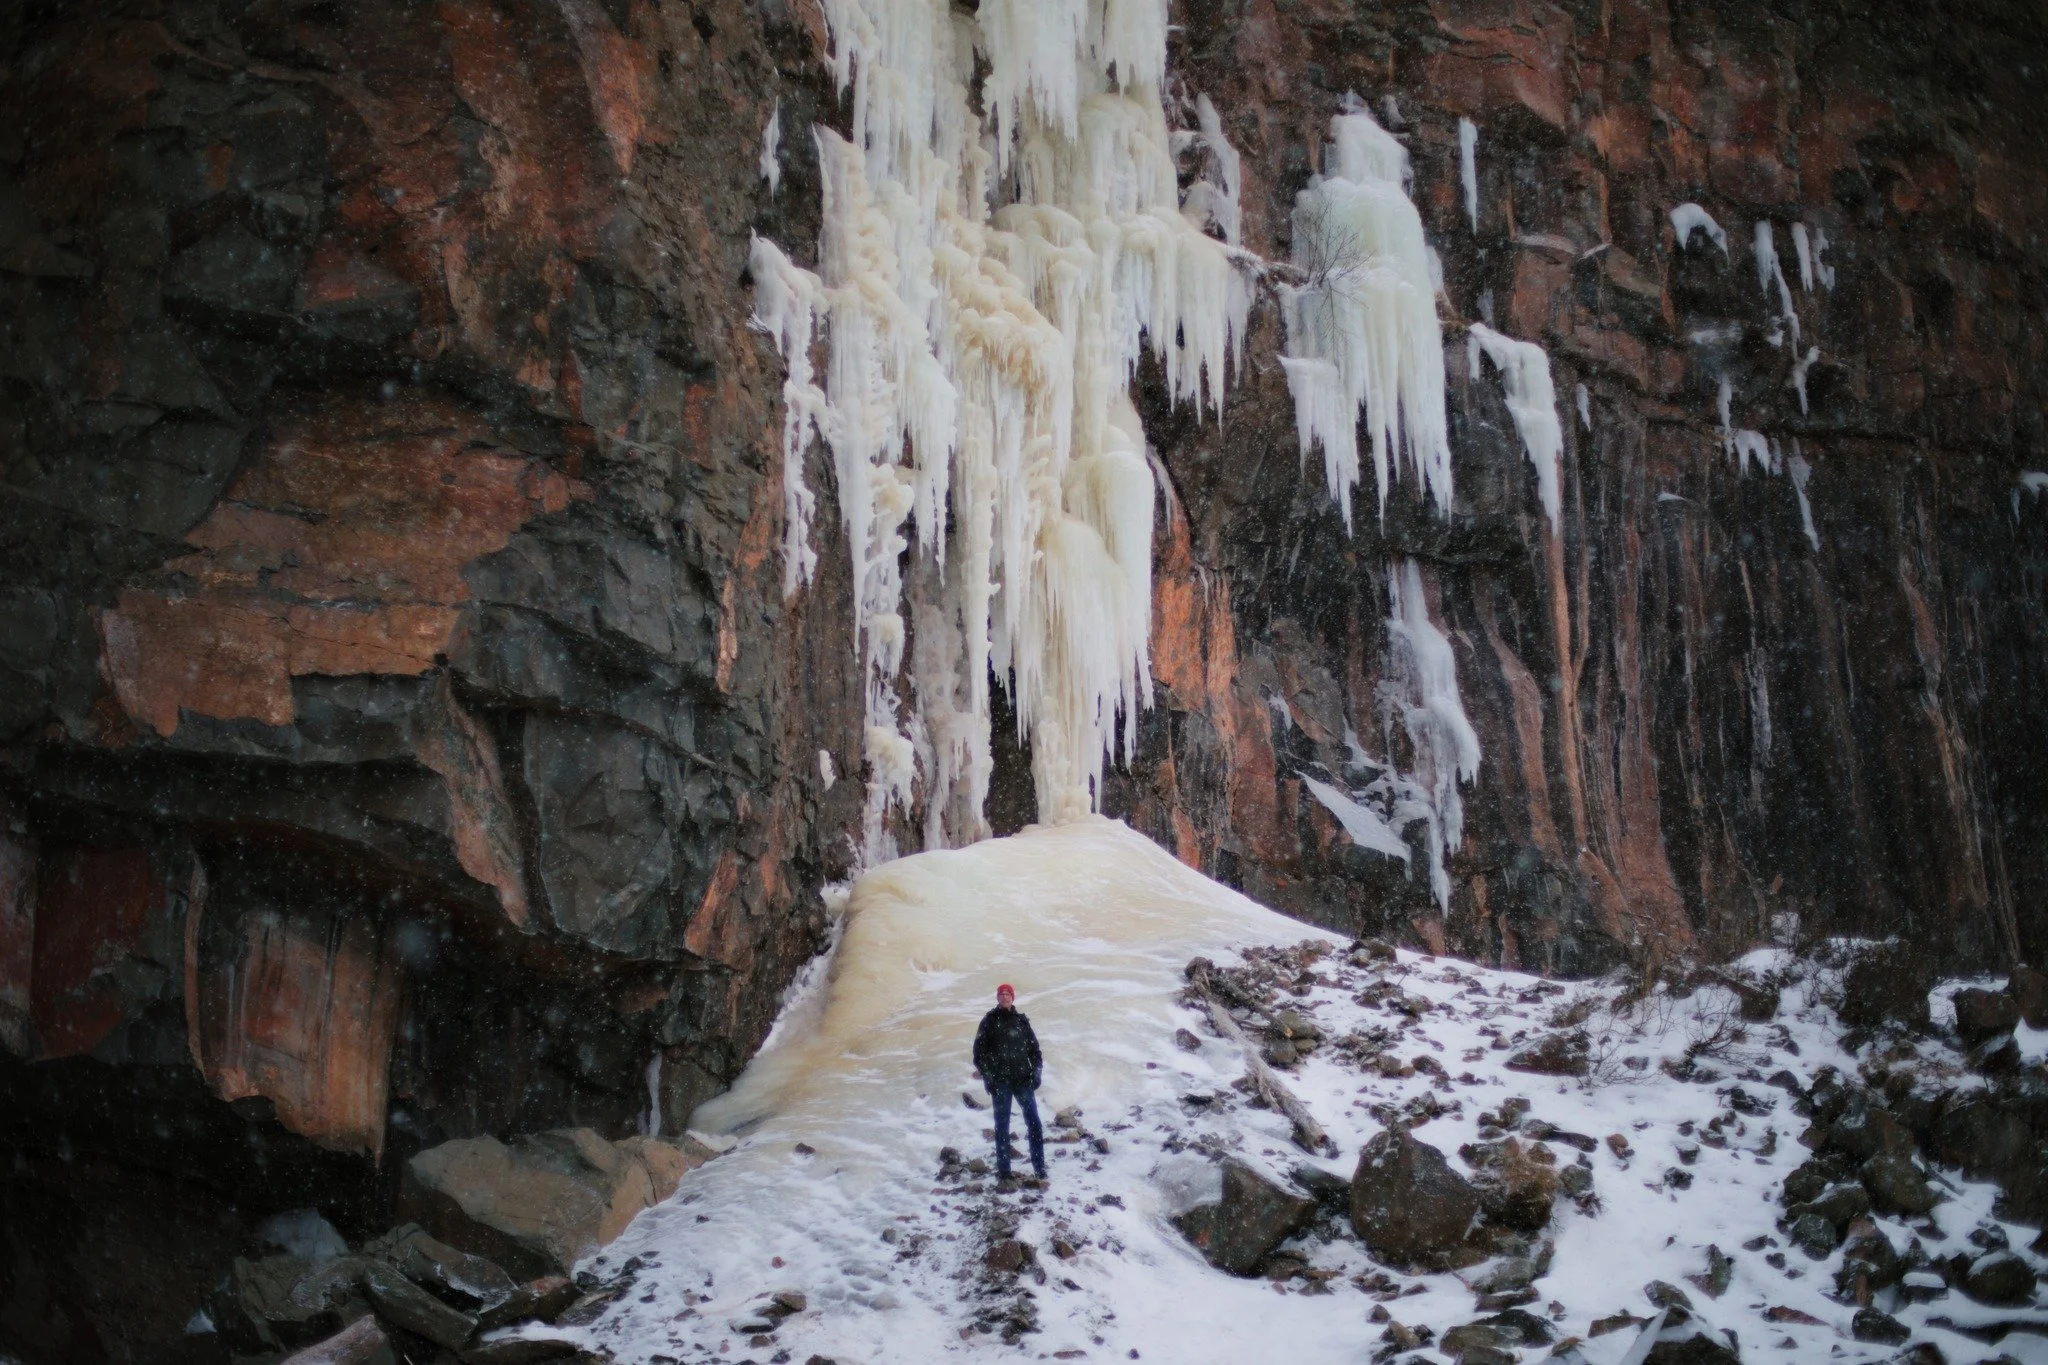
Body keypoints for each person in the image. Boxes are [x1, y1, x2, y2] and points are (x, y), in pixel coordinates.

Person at [972, 983, 1045, 1184]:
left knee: (1034, 1124)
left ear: (1013, 998)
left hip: (1023, 1081)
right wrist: (989, 1078)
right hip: (1000, 1082)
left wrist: (1036, 1073)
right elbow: (979, 1054)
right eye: (1001, 994)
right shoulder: (989, 1021)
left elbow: (1036, 1052)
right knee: (1002, 1126)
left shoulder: (1021, 1022)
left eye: (1008, 994)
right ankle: (1004, 1173)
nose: (1005, 997)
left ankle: (1040, 1168)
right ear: (997, 998)